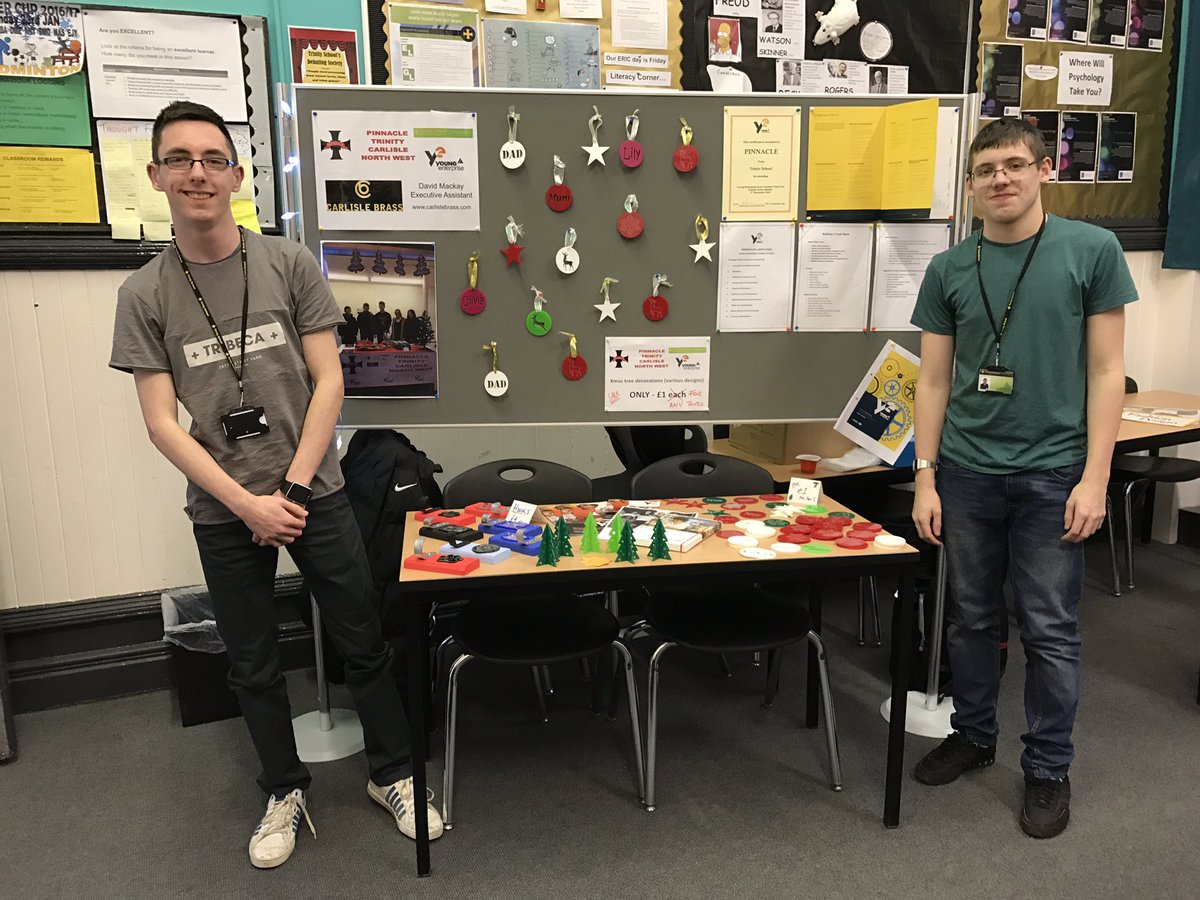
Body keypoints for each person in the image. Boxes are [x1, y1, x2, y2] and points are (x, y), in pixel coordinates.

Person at [108, 100, 443, 870]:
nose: (198, 172)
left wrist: (287, 496)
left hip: (313, 494)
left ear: (237, 173)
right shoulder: (145, 294)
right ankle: (283, 789)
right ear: (157, 175)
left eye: (213, 158)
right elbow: (161, 422)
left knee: (363, 637)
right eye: (181, 159)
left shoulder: (288, 263)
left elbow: (330, 381)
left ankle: (392, 774)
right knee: (252, 662)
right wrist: (246, 504)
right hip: (225, 508)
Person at [909, 117, 1136, 839]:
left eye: (1014, 165)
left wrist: (1097, 477)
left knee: (1050, 630)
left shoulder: (1092, 251)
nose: (1000, 179)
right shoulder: (950, 267)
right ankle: (975, 736)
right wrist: (925, 476)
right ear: (971, 187)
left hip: (1054, 474)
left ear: (1043, 170)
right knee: (970, 619)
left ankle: (1047, 769)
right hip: (968, 474)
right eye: (985, 171)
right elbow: (934, 381)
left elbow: (1107, 373)